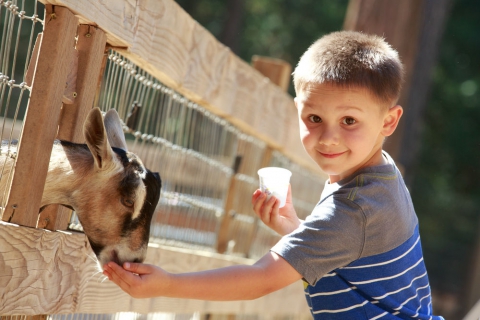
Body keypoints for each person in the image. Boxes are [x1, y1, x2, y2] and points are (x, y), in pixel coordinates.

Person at [103, 30, 443, 319]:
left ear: (388, 121)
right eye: (314, 119)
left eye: (349, 121)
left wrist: (168, 285)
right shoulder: (379, 175)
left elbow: (260, 279)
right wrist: (296, 229)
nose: (328, 137)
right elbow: (350, 260)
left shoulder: (353, 209)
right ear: (299, 109)